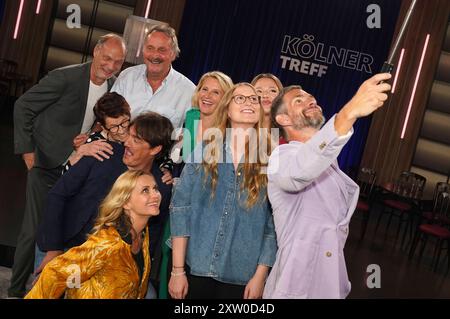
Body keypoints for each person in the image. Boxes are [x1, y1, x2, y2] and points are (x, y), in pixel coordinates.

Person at [10, 34, 126, 298]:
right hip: (47, 163)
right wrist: (27, 151)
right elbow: (23, 106)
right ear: (96, 52)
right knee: (34, 230)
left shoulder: (114, 86)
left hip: (76, 167)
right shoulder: (65, 76)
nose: (110, 66)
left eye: (117, 62)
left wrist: (91, 133)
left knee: (66, 229)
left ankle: (53, 288)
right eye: (107, 58)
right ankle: (16, 290)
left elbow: (98, 119)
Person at [262, 73, 392, 299]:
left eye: (310, 98)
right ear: (283, 119)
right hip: (295, 287)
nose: (310, 100)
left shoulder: (330, 166)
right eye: (298, 101)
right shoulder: (281, 159)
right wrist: (349, 113)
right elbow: (301, 170)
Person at [34, 112, 174, 298]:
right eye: (129, 136)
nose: (127, 143)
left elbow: (150, 236)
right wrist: (54, 249)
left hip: (107, 264)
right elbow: (58, 195)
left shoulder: (159, 187)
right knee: (47, 290)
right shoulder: (102, 151)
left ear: (155, 149)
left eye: (136, 140)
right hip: (62, 243)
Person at [168, 83, 277, 299]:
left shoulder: (272, 157)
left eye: (254, 99)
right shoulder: (205, 148)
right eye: (240, 98)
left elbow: (272, 224)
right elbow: (181, 208)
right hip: (196, 267)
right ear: (227, 109)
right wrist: (177, 270)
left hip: (243, 277)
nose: (248, 102)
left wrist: (260, 276)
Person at [25, 170, 161, 299]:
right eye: (145, 190)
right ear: (126, 202)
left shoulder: (143, 234)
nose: (155, 195)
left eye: (155, 188)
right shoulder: (108, 243)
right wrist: (76, 290)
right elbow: (56, 272)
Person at [158, 71, 233, 299]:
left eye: (216, 92)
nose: (207, 95)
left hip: (207, 212)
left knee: (194, 271)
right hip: (178, 204)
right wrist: (167, 170)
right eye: (204, 89)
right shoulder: (190, 117)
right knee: (168, 258)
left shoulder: (228, 130)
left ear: (226, 98)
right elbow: (175, 157)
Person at [112, 24, 195, 128]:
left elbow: (193, 135)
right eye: (150, 48)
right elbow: (108, 115)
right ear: (143, 50)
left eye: (162, 50)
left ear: (173, 54)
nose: (155, 55)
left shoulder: (189, 91)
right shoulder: (127, 77)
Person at [63, 92, 131, 173]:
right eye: (113, 127)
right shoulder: (93, 144)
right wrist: (80, 153)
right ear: (103, 127)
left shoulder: (142, 135)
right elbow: (66, 176)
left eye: (124, 122)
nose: (121, 130)